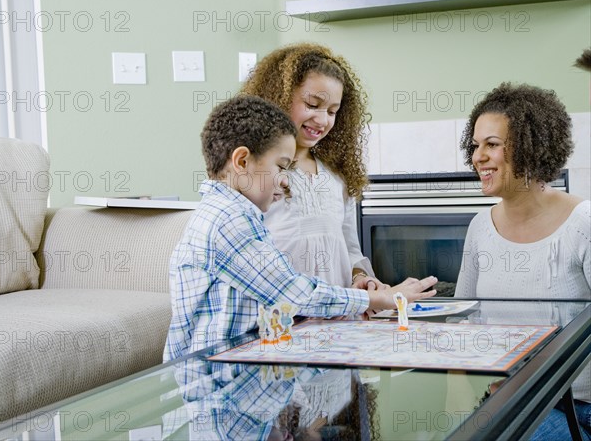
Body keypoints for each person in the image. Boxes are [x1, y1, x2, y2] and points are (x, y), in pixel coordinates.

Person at [163, 94, 437, 360]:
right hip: (214, 383)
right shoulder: (227, 221)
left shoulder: (234, 214)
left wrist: (353, 292)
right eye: (281, 167)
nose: (284, 181)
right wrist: (384, 298)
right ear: (242, 161)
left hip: (242, 365)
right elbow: (293, 293)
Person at [454, 82, 590, 439]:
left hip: (578, 408)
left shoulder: (583, 223)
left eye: (492, 145)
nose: (477, 157)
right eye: (476, 145)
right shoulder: (480, 227)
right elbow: (463, 319)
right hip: (510, 398)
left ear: (533, 147)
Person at [242, 43, 432, 295]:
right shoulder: (256, 176)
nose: (322, 120)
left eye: (332, 111)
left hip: (337, 321)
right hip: (282, 319)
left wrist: (361, 278)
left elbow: (350, 250)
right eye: (311, 104)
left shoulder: (336, 179)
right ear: (279, 96)